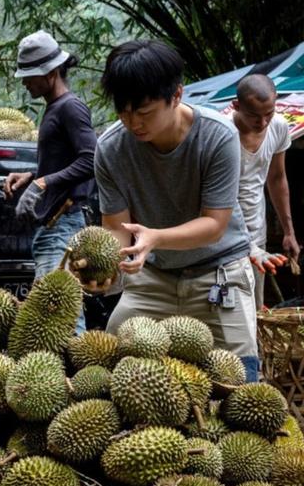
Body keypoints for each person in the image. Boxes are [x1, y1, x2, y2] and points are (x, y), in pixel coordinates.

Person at [87, 40, 261, 381]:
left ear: (177, 95)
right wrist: (102, 265)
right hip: (154, 278)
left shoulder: (218, 137)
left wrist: (153, 238)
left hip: (219, 273)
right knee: (107, 366)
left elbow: (215, 225)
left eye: (145, 111)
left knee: (240, 383)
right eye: (124, 112)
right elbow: (117, 231)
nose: (133, 122)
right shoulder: (110, 149)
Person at [3, 30, 98, 333]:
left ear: (53, 72)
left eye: (30, 75)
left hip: (64, 225)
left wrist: (43, 184)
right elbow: (66, 161)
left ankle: (74, 378)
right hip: (54, 226)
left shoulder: (71, 107)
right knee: (51, 315)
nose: (25, 81)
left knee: (61, 317)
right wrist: (32, 175)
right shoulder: (54, 108)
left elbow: (91, 159)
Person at [230, 73, 299, 308]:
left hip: (257, 229)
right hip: (222, 233)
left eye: (268, 114)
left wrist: (289, 232)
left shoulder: (278, 126)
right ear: (236, 106)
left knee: (254, 305)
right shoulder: (222, 133)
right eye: (253, 116)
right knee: (227, 302)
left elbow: (277, 178)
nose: (262, 123)